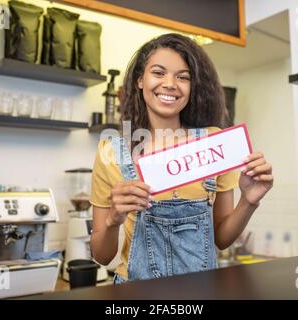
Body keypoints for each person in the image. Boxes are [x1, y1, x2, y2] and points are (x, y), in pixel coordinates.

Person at [90, 33, 273, 284]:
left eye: (182, 77)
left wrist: (249, 201)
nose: (170, 84)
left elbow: (222, 238)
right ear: (139, 81)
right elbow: (101, 255)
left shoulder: (213, 143)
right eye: (158, 72)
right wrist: (112, 219)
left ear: (191, 87)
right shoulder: (111, 152)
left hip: (201, 291)